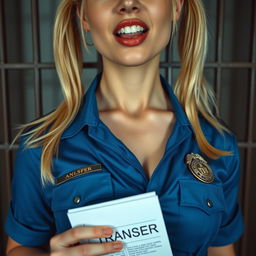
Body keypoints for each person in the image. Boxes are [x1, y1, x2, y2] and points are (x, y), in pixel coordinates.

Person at [5, 0, 244, 255]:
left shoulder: (218, 144)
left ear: (176, 7)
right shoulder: (42, 145)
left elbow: (221, 249)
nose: (128, 4)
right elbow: (19, 248)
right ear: (84, 16)